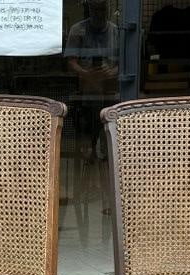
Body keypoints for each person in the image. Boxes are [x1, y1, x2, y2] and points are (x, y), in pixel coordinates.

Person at [65, 0, 119, 161]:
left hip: (110, 89)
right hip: (87, 90)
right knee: (88, 126)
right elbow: (70, 61)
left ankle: (107, 154)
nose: (99, 13)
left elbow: (125, 63)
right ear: (89, 9)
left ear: (108, 10)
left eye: (102, 9)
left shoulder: (116, 31)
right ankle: (88, 152)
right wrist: (85, 73)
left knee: (109, 125)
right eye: (95, 9)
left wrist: (112, 72)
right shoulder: (77, 30)